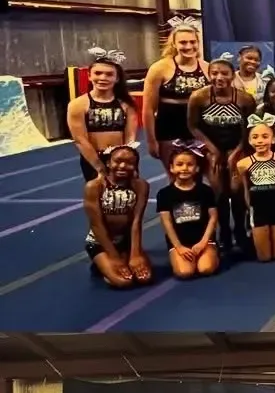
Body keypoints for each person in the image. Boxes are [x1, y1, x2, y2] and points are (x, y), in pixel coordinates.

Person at [186, 55, 252, 251]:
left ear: (232, 76)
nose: (219, 77)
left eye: (224, 73)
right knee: (219, 191)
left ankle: (240, 230)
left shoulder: (244, 98)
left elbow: (249, 129)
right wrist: (210, 148)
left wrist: (236, 152)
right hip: (211, 146)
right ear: (208, 75)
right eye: (214, 73)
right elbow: (193, 126)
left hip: (236, 145)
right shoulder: (199, 97)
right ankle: (223, 232)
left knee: (236, 189)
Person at [82, 145, 152, 288]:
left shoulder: (141, 186)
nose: (122, 166)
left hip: (125, 241)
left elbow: (136, 221)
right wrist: (114, 258)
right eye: (118, 161)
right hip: (100, 243)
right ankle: (102, 263)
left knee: (145, 278)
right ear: (108, 163)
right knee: (123, 282)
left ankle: (119, 259)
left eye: (129, 163)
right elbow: (96, 224)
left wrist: (136, 253)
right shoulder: (94, 187)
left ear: (136, 166)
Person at [143, 15, 208, 168]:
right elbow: (148, 109)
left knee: (198, 174)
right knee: (177, 173)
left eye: (193, 42)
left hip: (199, 129)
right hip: (169, 130)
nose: (188, 46)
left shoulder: (206, 67)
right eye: (183, 42)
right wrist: (151, 140)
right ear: (174, 43)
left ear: (198, 43)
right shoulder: (159, 68)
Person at [66, 47, 137, 180]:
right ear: (89, 76)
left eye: (109, 74)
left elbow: (130, 137)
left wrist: (125, 160)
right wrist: (99, 166)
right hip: (93, 159)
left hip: (121, 159)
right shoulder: (77, 105)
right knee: (98, 196)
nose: (103, 78)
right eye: (98, 73)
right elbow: (80, 140)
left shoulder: (127, 103)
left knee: (125, 196)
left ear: (117, 78)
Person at [157, 143, 220, 278]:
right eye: (179, 164)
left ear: (197, 168)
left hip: (203, 239)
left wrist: (203, 242)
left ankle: (212, 252)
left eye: (189, 165)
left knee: (205, 269)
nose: (184, 168)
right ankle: (181, 256)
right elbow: (167, 223)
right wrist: (178, 247)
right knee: (185, 272)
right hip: (180, 241)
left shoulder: (205, 190)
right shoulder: (164, 194)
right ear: (172, 168)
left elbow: (213, 218)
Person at [238, 114, 275, 262]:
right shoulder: (243, 164)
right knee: (265, 257)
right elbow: (245, 189)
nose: (260, 141)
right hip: (258, 207)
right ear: (249, 141)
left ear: (273, 139)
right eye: (255, 137)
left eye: (264, 136)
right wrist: (249, 208)